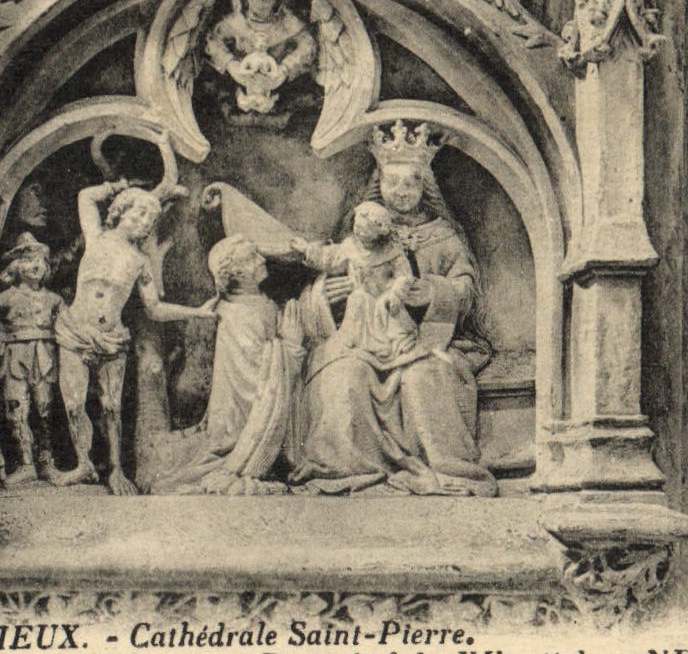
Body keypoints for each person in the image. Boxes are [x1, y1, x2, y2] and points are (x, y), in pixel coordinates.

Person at [290, 125, 497, 497]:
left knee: (424, 376)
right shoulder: (359, 234)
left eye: (410, 185)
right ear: (378, 186)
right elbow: (328, 274)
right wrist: (326, 295)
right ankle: (349, 470)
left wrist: (431, 292)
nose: (401, 194)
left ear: (425, 188)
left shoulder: (443, 236)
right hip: (360, 338)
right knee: (343, 376)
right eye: (393, 185)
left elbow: (466, 291)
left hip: (427, 341)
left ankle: (442, 468)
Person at [53, 182, 216, 494]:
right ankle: (83, 464)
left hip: (112, 338)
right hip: (75, 330)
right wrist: (118, 186)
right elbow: (84, 195)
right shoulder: (96, 236)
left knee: (111, 407)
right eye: (139, 213)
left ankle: (116, 471)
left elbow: (154, 308)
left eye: (149, 220)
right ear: (120, 211)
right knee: (74, 404)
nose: (143, 223)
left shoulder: (140, 261)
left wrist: (196, 312)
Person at [150, 234, 298, 494]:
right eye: (253, 257)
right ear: (237, 272)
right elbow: (255, 380)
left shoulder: (258, 303)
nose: (262, 259)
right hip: (243, 421)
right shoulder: (237, 315)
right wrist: (291, 348)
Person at [292, 202, 421, 368]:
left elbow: (404, 276)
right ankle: (354, 342)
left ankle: (391, 345)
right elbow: (330, 258)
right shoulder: (350, 246)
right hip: (361, 301)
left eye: (366, 228)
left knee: (390, 322)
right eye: (358, 226)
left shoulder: (392, 251)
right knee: (357, 300)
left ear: (381, 230)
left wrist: (395, 293)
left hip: (385, 301)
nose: (359, 231)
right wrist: (307, 250)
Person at [0, 232, 63, 486]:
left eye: (40, 261)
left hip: (45, 357)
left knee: (45, 409)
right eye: (28, 260)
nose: (35, 266)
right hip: (15, 357)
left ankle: (46, 462)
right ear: (16, 266)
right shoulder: (4, 299)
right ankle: (25, 464)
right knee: (16, 409)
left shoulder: (55, 300)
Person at [203, 0, 317, 116]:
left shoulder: (290, 24)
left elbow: (307, 45)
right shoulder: (233, 23)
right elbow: (213, 41)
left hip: (280, 87)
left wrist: (285, 69)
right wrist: (230, 64)